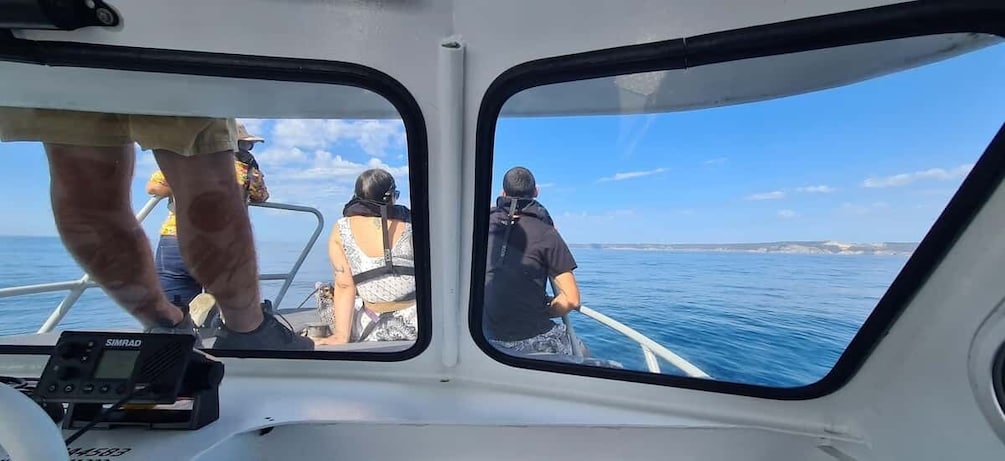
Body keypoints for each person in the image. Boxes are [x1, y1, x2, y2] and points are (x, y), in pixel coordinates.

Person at [0, 108, 313, 351]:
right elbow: (192, 190)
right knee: (205, 184)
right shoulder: (245, 168)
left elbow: (154, 187)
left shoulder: (247, 169)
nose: (244, 146)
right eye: (244, 142)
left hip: (52, 48)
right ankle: (249, 331)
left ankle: (164, 324)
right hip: (162, 41)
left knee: (84, 184)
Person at [147, 123, 270, 317]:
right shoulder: (247, 169)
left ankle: (170, 339)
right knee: (224, 311)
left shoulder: (185, 162)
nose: (248, 150)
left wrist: (190, 189)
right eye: (247, 146)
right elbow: (261, 196)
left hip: (175, 238)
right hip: (222, 243)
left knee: (171, 311)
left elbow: (153, 186)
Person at [484, 166, 584, 356]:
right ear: (536, 192)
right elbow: (571, 299)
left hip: (481, 335)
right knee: (583, 353)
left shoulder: (480, 224)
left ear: (503, 193)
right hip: (528, 337)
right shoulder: (547, 233)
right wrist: (547, 310)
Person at [316, 168, 417, 345]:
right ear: (391, 196)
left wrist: (341, 336)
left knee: (324, 293)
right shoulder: (413, 222)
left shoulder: (341, 229)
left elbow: (344, 285)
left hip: (371, 329)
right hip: (422, 326)